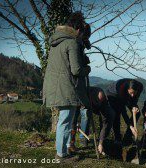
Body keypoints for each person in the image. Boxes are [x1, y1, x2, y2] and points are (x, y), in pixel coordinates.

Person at [42, 11, 91, 159]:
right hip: (66, 87)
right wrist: (87, 69)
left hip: (54, 86)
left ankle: (66, 148)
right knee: (65, 121)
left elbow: (66, 63)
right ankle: (61, 153)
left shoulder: (58, 41)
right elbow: (76, 70)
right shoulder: (72, 42)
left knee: (66, 120)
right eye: (82, 33)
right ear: (77, 30)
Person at [71, 87, 115, 155]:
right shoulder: (83, 95)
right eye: (97, 101)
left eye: (100, 101)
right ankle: (80, 141)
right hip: (84, 105)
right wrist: (76, 123)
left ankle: (102, 142)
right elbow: (75, 112)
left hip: (95, 107)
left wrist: (100, 143)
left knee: (111, 114)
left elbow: (104, 123)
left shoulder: (103, 102)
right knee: (86, 113)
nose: (99, 103)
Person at [106, 78, 143, 145]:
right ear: (128, 89)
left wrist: (134, 107)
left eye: (134, 93)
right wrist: (131, 126)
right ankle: (117, 139)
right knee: (117, 114)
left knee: (137, 113)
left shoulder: (140, 86)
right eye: (131, 92)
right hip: (113, 94)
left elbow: (134, 99)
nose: (132, 95)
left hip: (124, 94)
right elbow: (123, 111)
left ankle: (127, 137)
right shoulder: (121, 89)